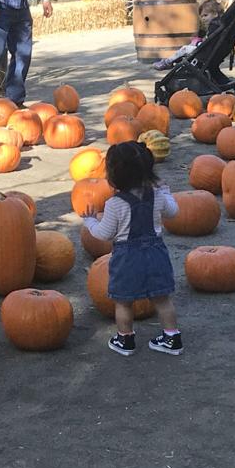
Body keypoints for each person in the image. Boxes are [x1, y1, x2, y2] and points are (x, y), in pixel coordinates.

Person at [80, 141, 183, 357]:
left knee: (124, 302)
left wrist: (89, 221)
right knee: (162, 298)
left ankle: (125, 340)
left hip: (127, 258)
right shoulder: (157, 195)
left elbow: (104, 234)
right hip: (155, 253)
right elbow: (173, 212)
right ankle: (172, 337)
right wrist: (166, 191)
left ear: (113, 176)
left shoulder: (115, 204)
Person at [152, 0, 226, 71]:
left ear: (215, 14)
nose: (203, 18)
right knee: (191, 45)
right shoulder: (219, 25)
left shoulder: (214, 26)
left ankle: (167, 62)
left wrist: (198, 43)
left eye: (205, 15)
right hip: (212, 52)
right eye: (202, 16)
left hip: (206, 53)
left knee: (185, 48)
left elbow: (209, 43)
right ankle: (173, 61)